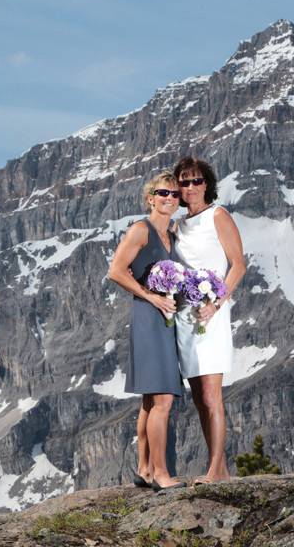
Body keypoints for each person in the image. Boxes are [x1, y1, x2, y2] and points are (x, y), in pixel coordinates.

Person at [107, 170, 186, 491]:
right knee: (164, 399)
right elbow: (115, 270)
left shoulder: (172, 234)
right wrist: (150, 296)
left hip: (165, 318)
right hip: (148, 317)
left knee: (151, 400)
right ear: (150, 197)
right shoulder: (141, 230)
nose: (169, 198)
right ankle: (162, 474)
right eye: (163, 193)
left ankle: (144, 469)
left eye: (174, 194)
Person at [172, 156, 246, 484]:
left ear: (207, 184)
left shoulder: (219, 216)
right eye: (184, 182)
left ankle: (215, 469)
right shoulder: (176, 225)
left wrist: (216, 304)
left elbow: (238, 264)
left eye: (196, 181)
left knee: (212, 394)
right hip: (185, 317)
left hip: (211, 314)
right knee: (199, 396)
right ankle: (221, 468)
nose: (190, 188)